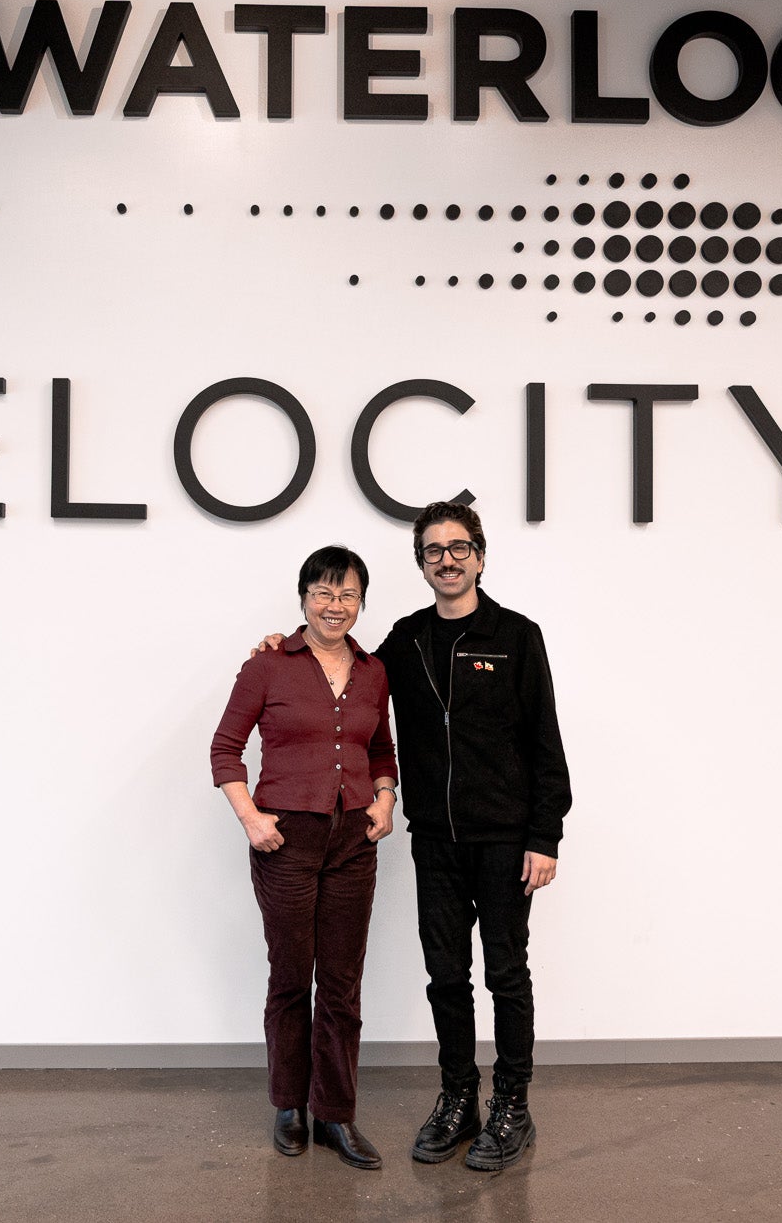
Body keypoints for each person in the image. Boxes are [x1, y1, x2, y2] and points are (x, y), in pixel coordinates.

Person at [254, 501, 571, 1171]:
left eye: (459, 547)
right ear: (422, 562)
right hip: (436, 840)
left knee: (506, 973)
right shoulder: (406, 641)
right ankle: (459, 1097)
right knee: (446, 976)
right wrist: (277, 649)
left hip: (508, 840)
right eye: (434, 550)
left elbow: (546, 743)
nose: (447, 559)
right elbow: (341, 663)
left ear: (480, 557)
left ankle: (512, 1104)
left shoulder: (518, 635)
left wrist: (545, 835)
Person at [210, 545, 399, 1169]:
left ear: (361, 602)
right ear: (303, 598)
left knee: (342, 985)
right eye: (323, 592)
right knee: (292, 977)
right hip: (286, 839)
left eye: (347, 594)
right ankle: (288, 1105)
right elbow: (225, 749)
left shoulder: (373, 671)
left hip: (353, 842)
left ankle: (336, 1115)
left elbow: (381, 751)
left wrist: (384, 799)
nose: (334, 605)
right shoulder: (267, 665)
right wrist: (251, 818)